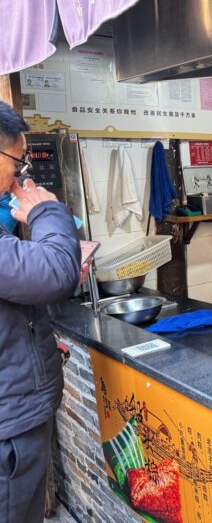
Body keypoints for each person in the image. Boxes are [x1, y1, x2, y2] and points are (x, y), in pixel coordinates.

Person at [0, 101, 86, 522]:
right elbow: (52, 274)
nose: (19, 175)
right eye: (17, 162)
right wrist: (45, 210)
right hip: (8, 432)